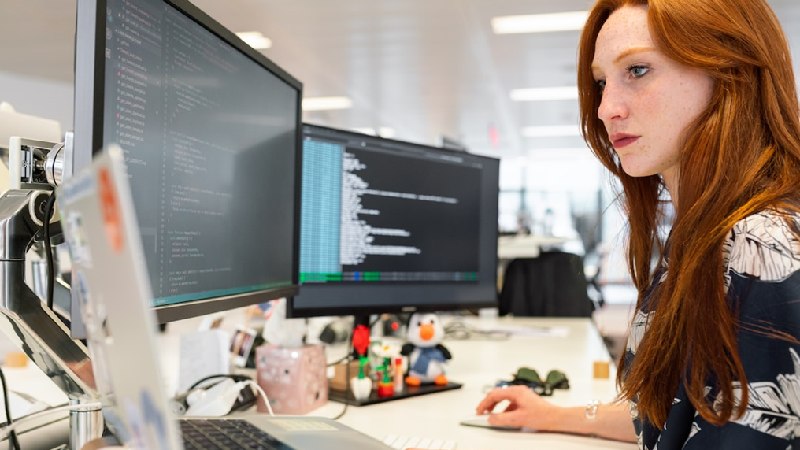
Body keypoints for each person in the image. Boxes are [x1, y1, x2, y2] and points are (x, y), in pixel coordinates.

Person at [475, 0, 800, 448]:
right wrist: (552, 414)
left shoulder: (758, 247)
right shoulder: (706, 236)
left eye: (639, 71)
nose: (606, 107)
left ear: (731, 71)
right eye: (602, 82)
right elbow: (675, 416)